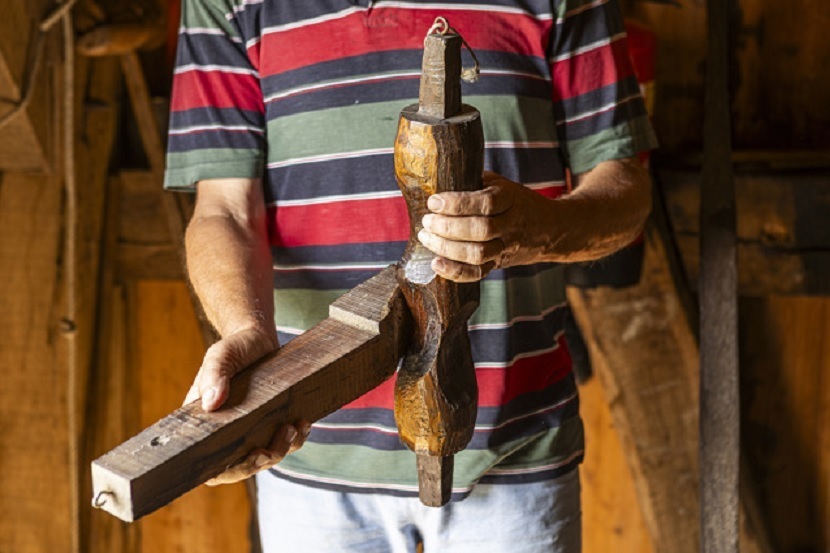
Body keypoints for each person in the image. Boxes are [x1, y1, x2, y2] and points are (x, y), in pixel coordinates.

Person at [164, 1, 656, 551]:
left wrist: (534, 229)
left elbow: (625, 193)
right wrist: (244, 331)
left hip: (512, 449)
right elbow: (224, 211)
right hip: (309, 447)